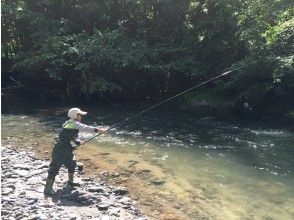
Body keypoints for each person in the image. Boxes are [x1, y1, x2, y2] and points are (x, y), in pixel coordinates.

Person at [44, 108, 108, 195]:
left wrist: (78, 142)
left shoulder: (68, 123)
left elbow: (69, 138)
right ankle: (47, 189)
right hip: (60, 149)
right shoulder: (73, 124)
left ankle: (70, 181)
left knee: (72, 164)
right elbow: (85, 128)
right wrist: (100, 130)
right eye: (80, 115)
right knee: (55, 167)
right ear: (75, 116)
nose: (81, 116)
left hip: (67, 148)